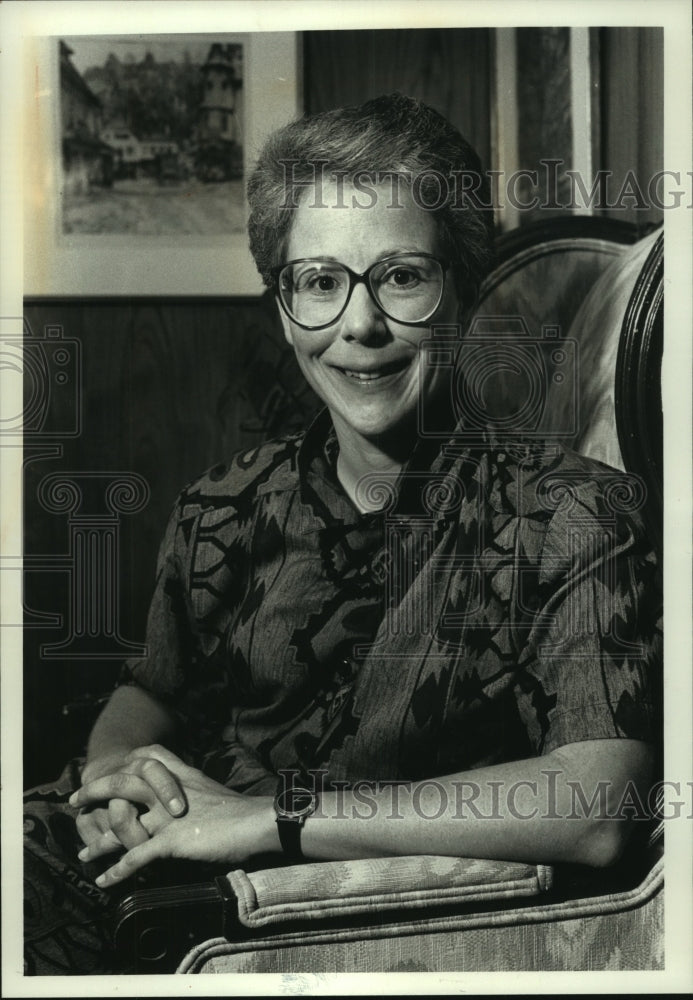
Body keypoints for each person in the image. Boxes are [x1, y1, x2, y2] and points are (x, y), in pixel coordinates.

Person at [23, 93, 661, 975]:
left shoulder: (574, 515)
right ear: (284, 308)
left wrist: (268, 816)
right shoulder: (222, 504)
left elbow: (601, 802)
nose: (357, 326)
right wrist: (118, 780)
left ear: (463, 289)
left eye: (400, 276)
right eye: (319, 282)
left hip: (287, 926)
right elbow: (149, 691)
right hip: (124, 871)